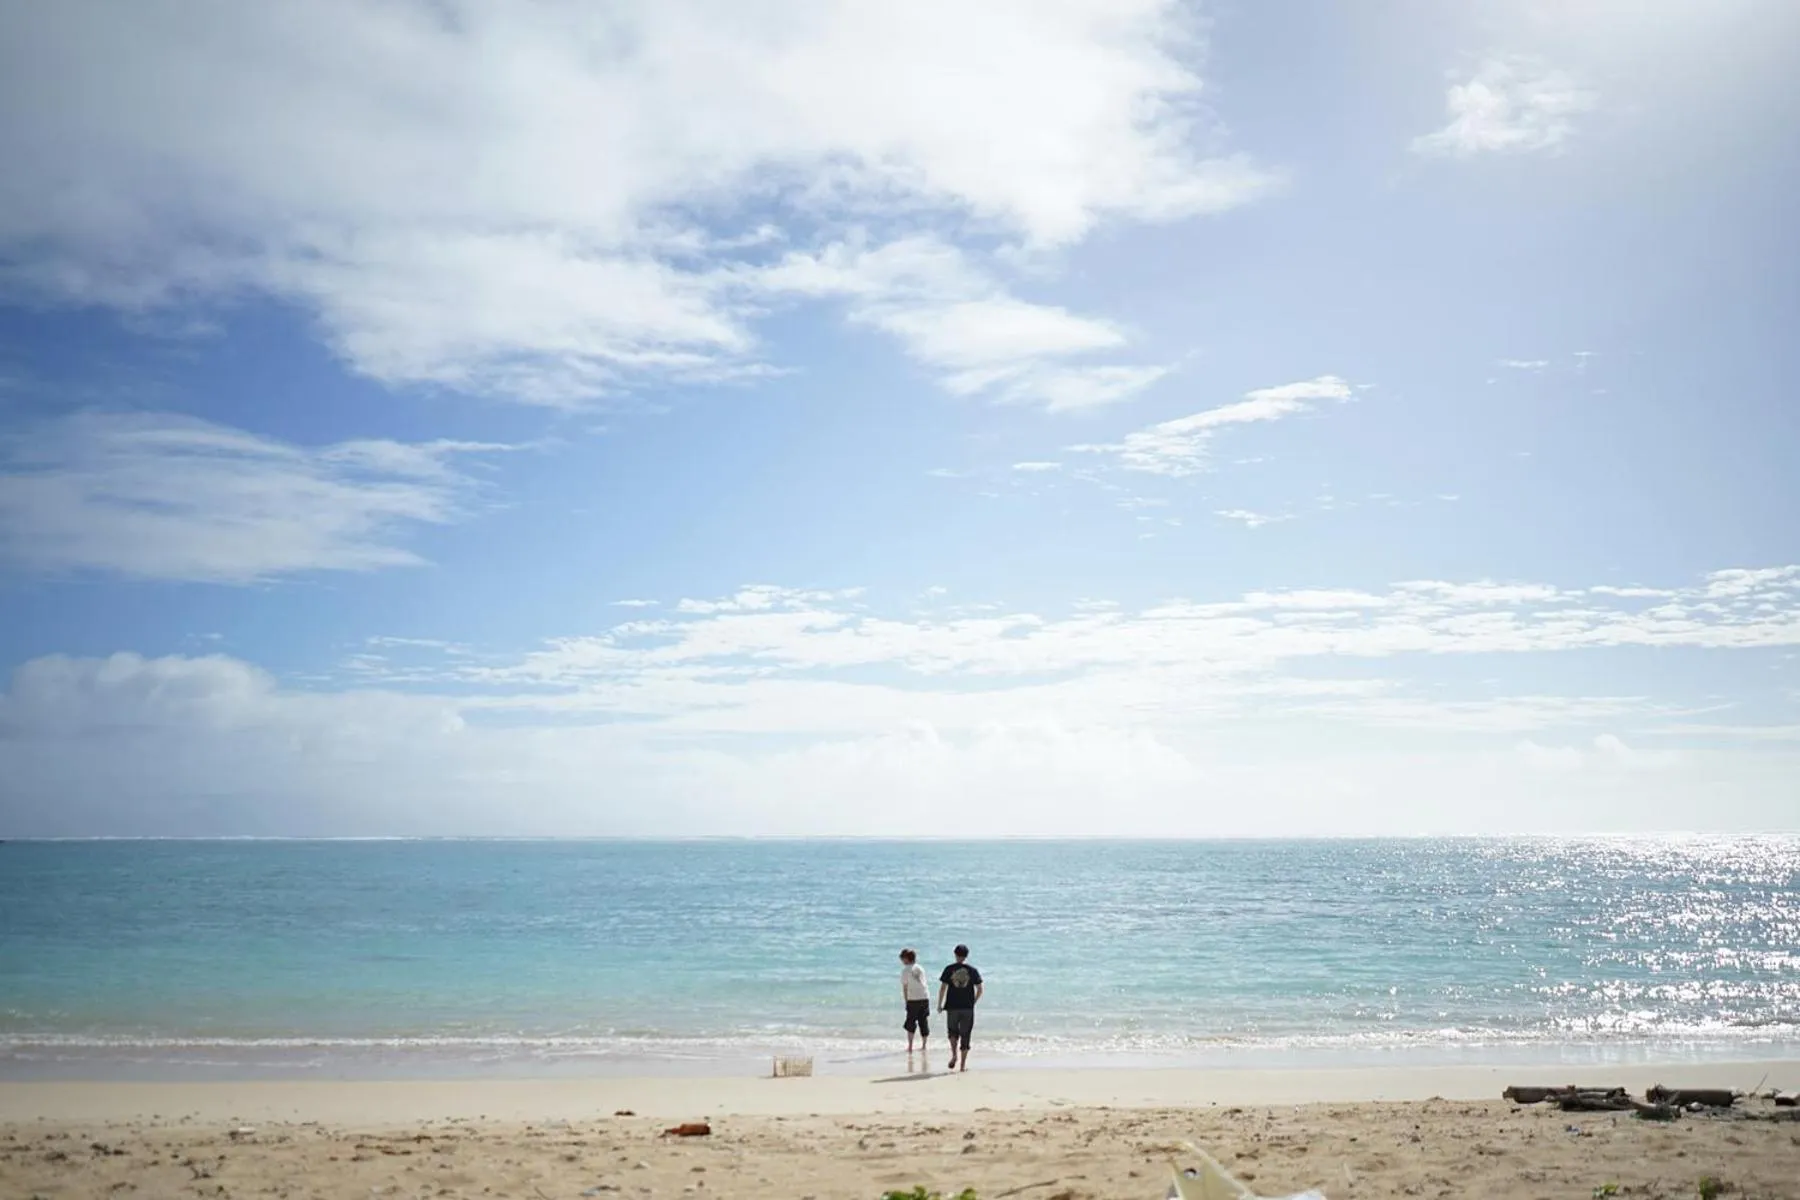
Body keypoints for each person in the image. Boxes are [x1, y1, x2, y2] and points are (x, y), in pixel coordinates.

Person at [937, 943, 983, 1072]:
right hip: (967, 1007)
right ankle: (962, 1066)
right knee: (965, 1034)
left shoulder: (948, 969)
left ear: (955, 954)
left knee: (952, 1032)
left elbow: (943, 988)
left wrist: (940, 1004)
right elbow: (980, 989)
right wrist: (973, 1001)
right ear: (966, 956)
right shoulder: (972, 970)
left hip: (952, 1006)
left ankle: (954, 1055)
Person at [898, 948, 930, 1059]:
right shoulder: (920, 968)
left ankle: (910, 1046)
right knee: (923, 1021)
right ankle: (924, 1045)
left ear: (906, 959)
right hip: (924, 997)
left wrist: (906, 1001)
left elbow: (905, 987)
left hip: (913, 999)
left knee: (911, 1022)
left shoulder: (906, 970)